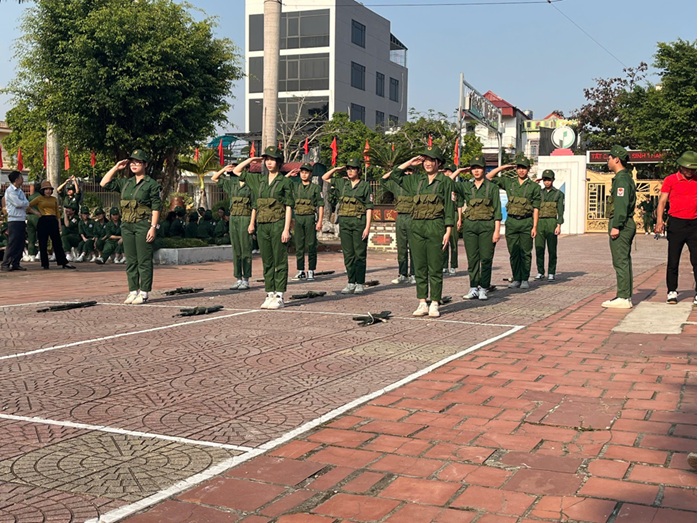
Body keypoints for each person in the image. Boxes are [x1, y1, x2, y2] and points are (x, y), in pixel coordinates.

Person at [383, 146, 455, 317]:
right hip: (416, 226)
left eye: (432, 160)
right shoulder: (416, 180)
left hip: (435, 226)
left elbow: (449, 208)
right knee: (420, 266)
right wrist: (410, 162)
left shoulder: (445, 182)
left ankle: (435, 302)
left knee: (435, 266)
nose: (428, 163)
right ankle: (422, 302)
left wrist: (448, 231)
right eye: (425, 160)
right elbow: (394, 175)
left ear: (438, 163)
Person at [233, 147, 294, 309]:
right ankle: (270, 293)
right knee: (267, 260)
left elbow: (289, 206)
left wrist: (286, 229)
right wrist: (252, 160)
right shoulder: (258, 180)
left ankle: (279, 295)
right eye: (267, 159)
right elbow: (237, 171)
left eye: (272, 159)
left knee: (279, 261)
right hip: (263, 225)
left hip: (278, 224)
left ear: (279, 162)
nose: (269, 163)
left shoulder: (285, 182)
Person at [100, 149, 162, 305]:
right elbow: (103, 183)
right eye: (132, 162)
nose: (134, 165)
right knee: (131, 260)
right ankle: (133, 291)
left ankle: (144, 292)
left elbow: (156, 207)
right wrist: (116, 168)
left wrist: (153, 227)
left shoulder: (151, 184)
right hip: (127, 225)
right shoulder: (126, 183)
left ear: (145, 165)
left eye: (138, 162)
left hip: (143, 224)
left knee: (144, 260)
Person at [486, 158, 541, 289]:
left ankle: (524, 279)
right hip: (511, 222)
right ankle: (516, 278)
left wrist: (534, 226)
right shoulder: (509, 182)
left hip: (526, 222)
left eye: (524, 168)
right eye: (519, 168)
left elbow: (536, 208)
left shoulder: (534, 187)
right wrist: (502, 168)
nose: (521, 170)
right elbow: (488, 177)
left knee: (525, 252)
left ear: (528, 169)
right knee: (514, 252)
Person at [322, 157, 374, 295]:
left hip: (359, 222)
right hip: (344, 223)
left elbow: (369, 207)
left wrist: (367, 227)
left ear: (358, 170)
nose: (350, 171)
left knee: (359, 254)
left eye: (353, 169)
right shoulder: (342, 183)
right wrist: (336, 169)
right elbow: (324, 177)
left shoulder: (365, 186)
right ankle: (351, 282)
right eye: (348, 169)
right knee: (348, 254)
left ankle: (360, 283)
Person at [454, 155, 502, 301]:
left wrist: (497, 231)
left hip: (487, 226)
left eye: (479, 168)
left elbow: (497, 210)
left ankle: (484, 288)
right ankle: (473, 287)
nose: (476, 171)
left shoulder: (492, 187)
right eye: (473, 168)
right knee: (472, 259)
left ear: (484, 169)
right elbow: (447, 183)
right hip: (470, 227)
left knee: (486, 258)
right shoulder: (466, 186)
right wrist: (459, 171)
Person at [655, 150, 697, 305]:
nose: (690, 171)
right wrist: (659, 221)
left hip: (694, 225)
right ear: (681, 166)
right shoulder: (671, 180)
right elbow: (662, 201)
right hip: (676, 224)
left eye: (693, 169)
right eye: (688, 168)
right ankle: (672, 291)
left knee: (696, 260)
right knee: (673, 260)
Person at [602, 145, 637, 309]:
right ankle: (625, 295)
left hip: (621, 224)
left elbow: (621, 205)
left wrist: (616, 225)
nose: (607, 161)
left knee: (620, 261)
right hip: (625, 223)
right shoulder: (625, 178)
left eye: (609, 158)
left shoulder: (622, 179)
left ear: (616, 159)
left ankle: (623, 297)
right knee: (624, 260)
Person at [213, 161, 255, 290]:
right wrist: (224, 168)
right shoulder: (232, 184)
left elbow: (255, 206)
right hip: (234, 218)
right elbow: (214, 178)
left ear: (247, 170)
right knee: (236, 250)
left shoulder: (251, 184)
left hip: (245, 218)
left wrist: (252, 223)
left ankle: (246, 279)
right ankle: (238, 278)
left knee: (246, 249)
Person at [27, 180, 75, 269]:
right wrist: (36, 212)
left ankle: (63, 262)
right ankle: (45, 264)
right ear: (43, 190)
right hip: (43, 220)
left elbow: (57, 213)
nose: (48, 191)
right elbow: (27, 206)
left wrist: (59, 224)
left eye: (50, 189)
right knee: (43, 243)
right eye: (46, 189)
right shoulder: (39, 198)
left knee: (57, 242)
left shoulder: (54, 199)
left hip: (53, 220)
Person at [380, 165, 415, 285]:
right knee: (401, 248)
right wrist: (395, 171)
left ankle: (414, 274)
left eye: (410, 171)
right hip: (400, 217)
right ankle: (402, 274)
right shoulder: (396, 185)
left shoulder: (416, 184)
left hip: (412, 217)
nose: (408, 173)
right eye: (405, 171)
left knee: (414, 248)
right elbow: (382, 180)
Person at [289, 163, 324, 281]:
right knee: (299, 245)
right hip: (298, 218)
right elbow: (282, 182)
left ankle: (311, 270)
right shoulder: (295, 186)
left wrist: (320, 221)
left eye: (306, 172)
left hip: (310, 218)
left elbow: (320, 205)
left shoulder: (315, 188)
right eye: (302, 172)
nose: (304, 175)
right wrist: (289, 174)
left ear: (310, 174)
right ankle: (300, 270)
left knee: (311, 245)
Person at [1, 170, 38, 271]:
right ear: (16, 180)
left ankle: (16, 263)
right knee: (13, 242)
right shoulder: (10, 191)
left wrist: (24, 203)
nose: (22, 180)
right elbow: (18, 204)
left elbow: (26, 202)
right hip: (14, 219)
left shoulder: (20, 191)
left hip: (21, 219)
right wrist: (24, 203)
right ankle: (5, 264)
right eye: (21, 178)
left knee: (21, 242)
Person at [535, 169, 565, 281]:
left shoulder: (558, 194)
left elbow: (560, 211)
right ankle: (540, 271)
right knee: (539, 248)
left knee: (552, 250)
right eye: (545, 180)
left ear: (553, 180)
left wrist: (559, 225)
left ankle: (551, 272)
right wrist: (535, 183)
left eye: (549, 180)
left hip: (552, 222)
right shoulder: (538, 192)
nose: (547, 182)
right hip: (540, 222)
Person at [441, 162, 460, 276]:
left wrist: (459, 219)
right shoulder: (441, 185)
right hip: (443, 214)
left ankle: (453, 265)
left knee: (453, 242)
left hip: (453, 213)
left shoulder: (456, 186)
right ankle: (444, 266)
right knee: (443, 241)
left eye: (449, 171)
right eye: (445, 171)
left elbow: (460, 203)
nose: (447, 173)